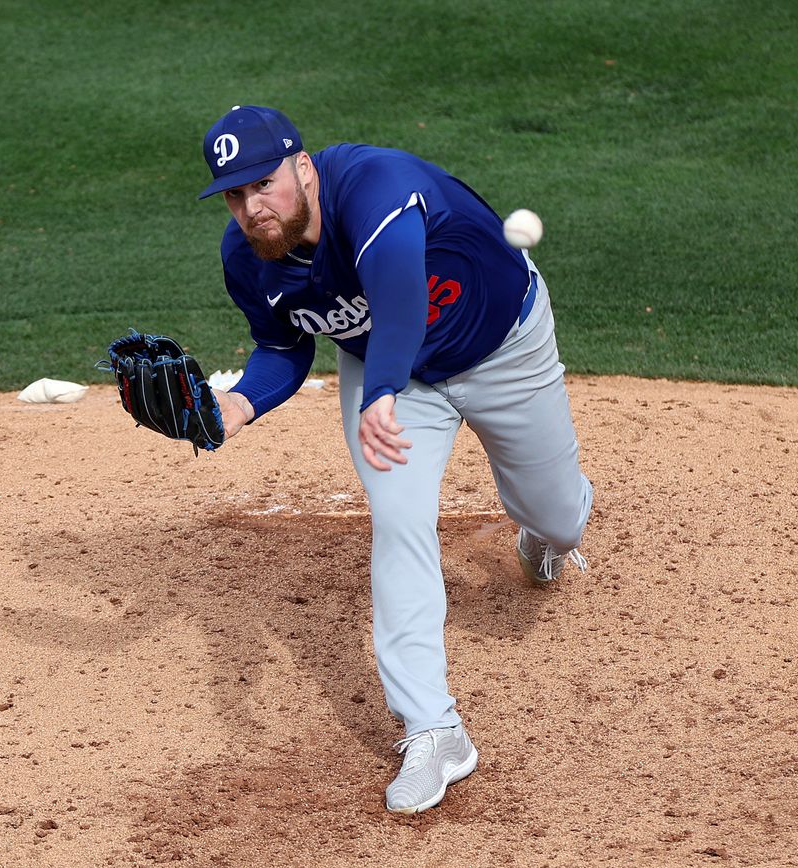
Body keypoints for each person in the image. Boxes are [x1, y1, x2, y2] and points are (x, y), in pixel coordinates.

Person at [197, 105, 594, 814]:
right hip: (397, 383)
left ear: (304, 166)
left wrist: (379, 386)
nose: (252, 207)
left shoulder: (375, 185)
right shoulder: (248, 260)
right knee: (399, 518)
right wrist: (238, 405)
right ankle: (433, 728)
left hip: (502, 344)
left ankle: (542, 534)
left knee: (559, 518)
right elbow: (286, 348)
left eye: (264, 183)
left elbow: (400, 296)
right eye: (235, 193)